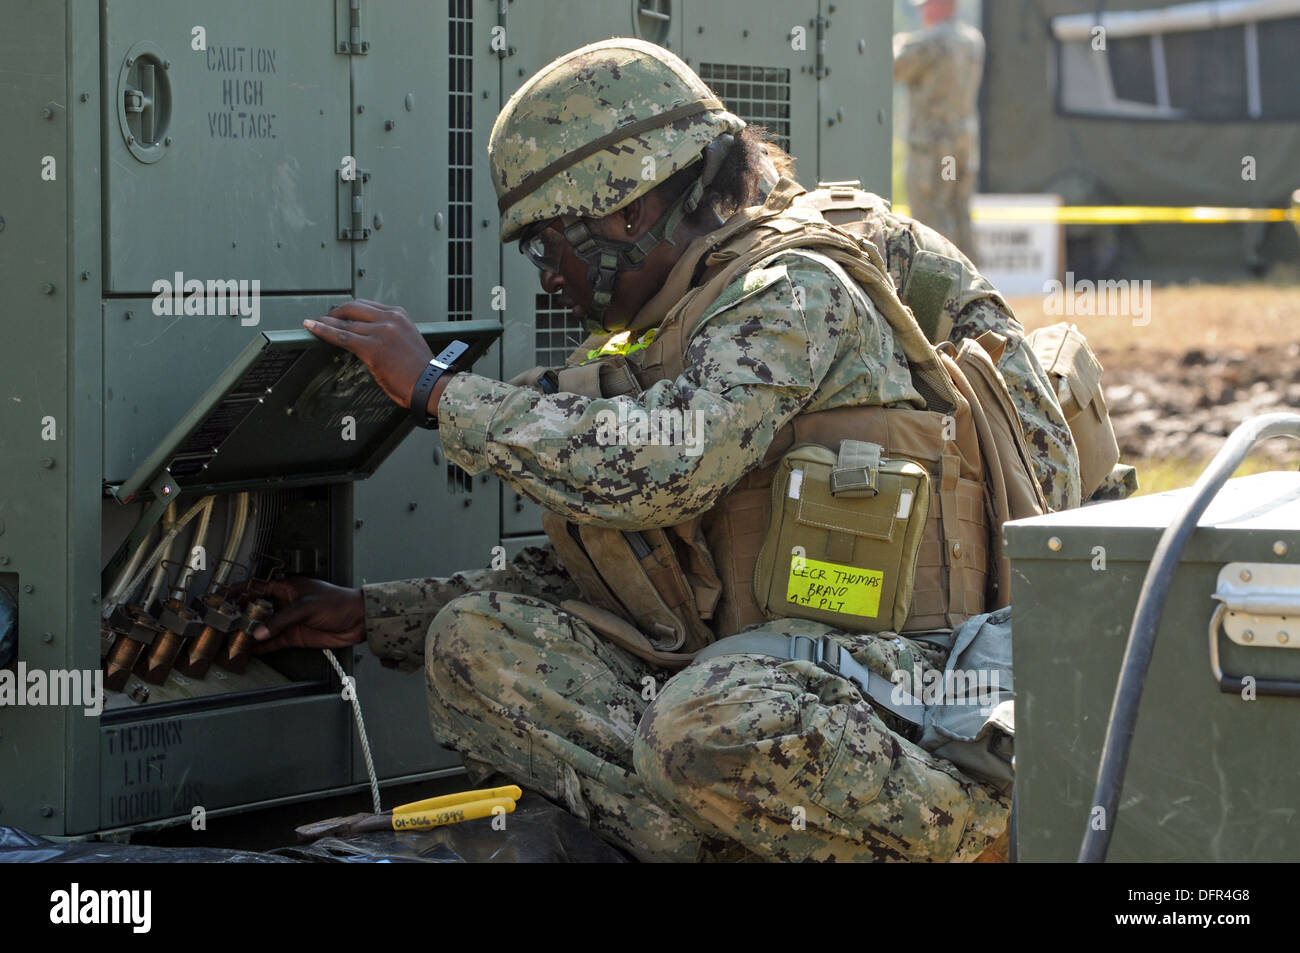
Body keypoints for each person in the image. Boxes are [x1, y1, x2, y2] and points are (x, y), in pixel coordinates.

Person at [251, 39, 1080, 862]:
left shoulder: (793, 292)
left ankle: (977, 833)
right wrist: (378, 614)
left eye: (550, 244)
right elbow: (635, 577)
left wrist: (437, 390)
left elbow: (663, 469)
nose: (548, 278)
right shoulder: (689, 317)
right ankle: (724, 837)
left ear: (628, 211)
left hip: (896, 673)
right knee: (477, 643)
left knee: (706, 725)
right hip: (760, 657)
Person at [894, 0, 985, 258]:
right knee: (960, 212)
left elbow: (891, 66)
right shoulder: (972, 40)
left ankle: (939, 279)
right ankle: (973, 284)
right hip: (964, 141)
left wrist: (901, 41)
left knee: (930, 216)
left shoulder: (930, 42)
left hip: (932, 146)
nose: (923, 11)